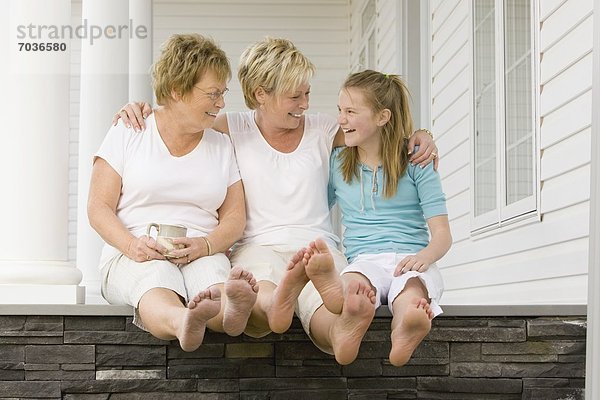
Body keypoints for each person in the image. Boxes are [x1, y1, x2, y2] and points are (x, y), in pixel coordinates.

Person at [113, 37, 439, 364]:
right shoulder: (231, 127)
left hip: (317, 248)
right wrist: (139, 108)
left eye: (307, 93)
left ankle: (341, 334)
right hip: (257, 245)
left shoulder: (324, 129)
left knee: (327, 300)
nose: (305, 104)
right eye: (295, 96)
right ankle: (279, 304)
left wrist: (419, 134)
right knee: (259, 286)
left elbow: (376, 128)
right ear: (260, 95)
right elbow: (180, 114)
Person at [88, 34, 258, 353]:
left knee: (213, 278)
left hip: (200, 248)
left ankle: (231, 314)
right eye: (212, 94)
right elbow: (98, 207)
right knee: (153, 280)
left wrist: (206, 245)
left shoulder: (221, 145)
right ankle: (182, 321)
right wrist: (131, 245)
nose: (221, 103)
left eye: (223, 93)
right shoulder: (129, 131)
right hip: (134, 249)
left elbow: (235, 218)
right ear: (177, 91)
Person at [301, 70, 451, 367]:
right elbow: (315, 209)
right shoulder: (338, 163)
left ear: (383, 117)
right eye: (340, 111)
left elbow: (443, 234)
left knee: (411, 291)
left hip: (409, 259)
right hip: (364, 260)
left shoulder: (416, 163)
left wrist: (425, 256)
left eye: (351, 112)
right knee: (355, 282)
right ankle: (347, 304)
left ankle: (406, 327)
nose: (341, 119)